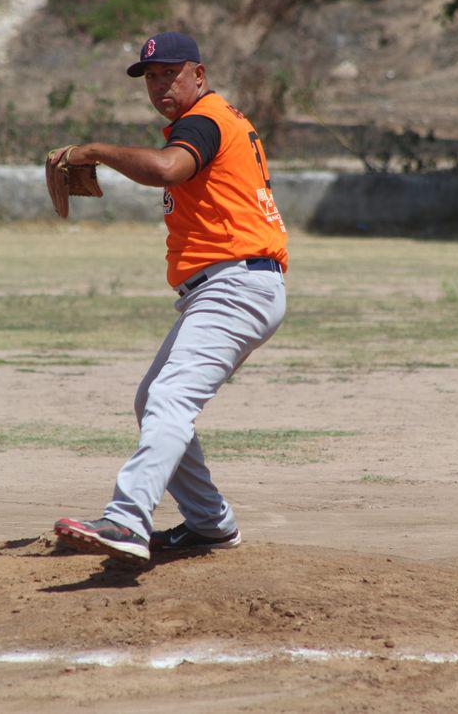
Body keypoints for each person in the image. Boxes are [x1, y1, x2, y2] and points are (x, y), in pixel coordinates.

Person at [54, 31, 288, 565]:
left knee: (169, 401)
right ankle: (210, 524)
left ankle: (127, 520)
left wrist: (92, 150)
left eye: (170, 73)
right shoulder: (211, 120)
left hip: (237, 284)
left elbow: (165, 169)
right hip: (234, 284)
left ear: (199, 75)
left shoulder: (205, 120)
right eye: (151, 77)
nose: (160, 84)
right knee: (152, 400)